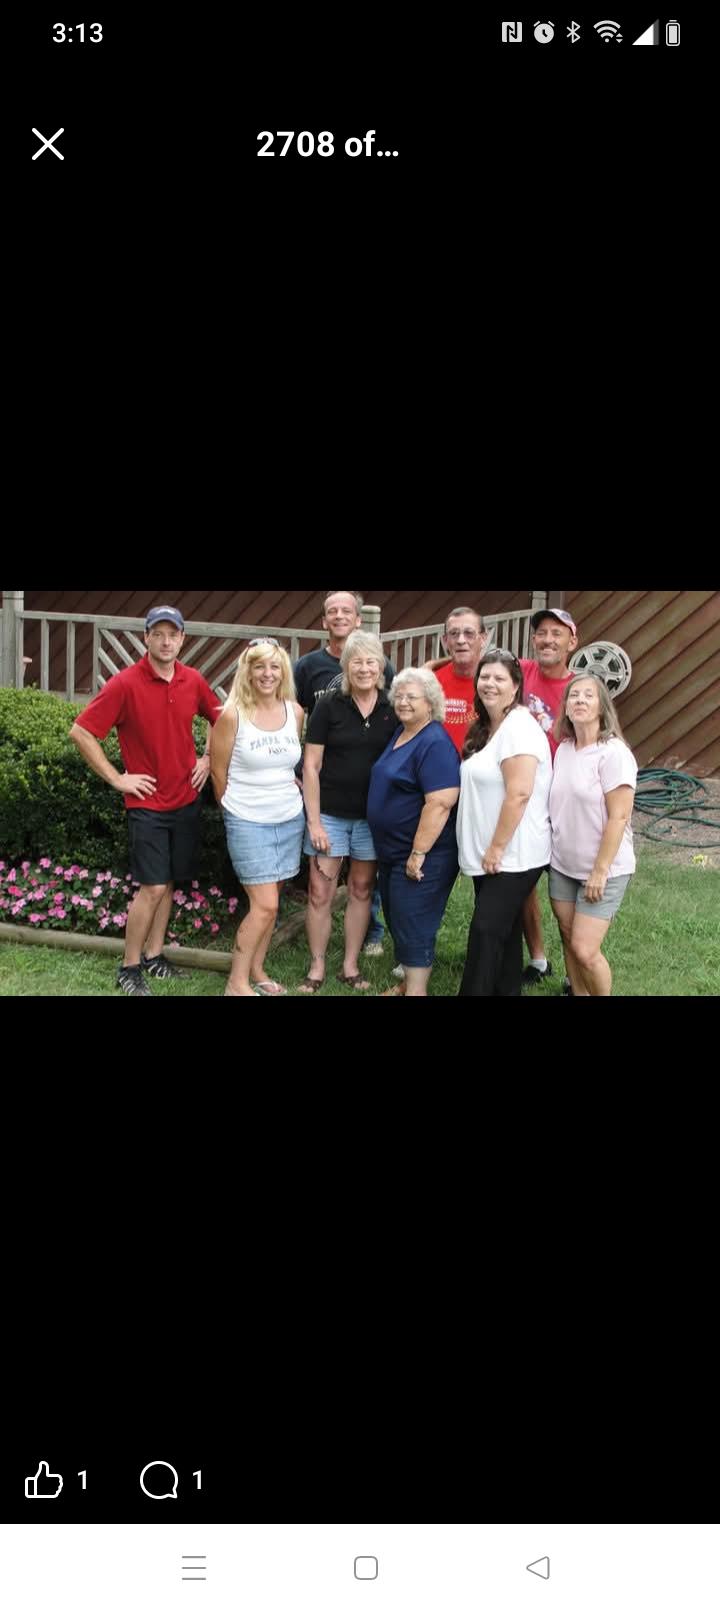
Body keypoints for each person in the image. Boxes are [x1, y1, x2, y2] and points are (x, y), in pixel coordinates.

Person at [69, 606, 220, 996]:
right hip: (147, 805)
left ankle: (154, 956)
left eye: (173, 634)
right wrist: (117, 778)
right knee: (152, 886)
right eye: (159, 634)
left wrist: (207, 757)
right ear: (146, 638)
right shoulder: (124, 683)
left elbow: (222, 719)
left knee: (167, 882)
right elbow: (81, 732)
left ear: (182, 639)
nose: (166, 641)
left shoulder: (192, 679)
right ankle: (129, 967)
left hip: (185, 799)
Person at [293, 590, 394, 957]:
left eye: (371, 663)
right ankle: (317, 965)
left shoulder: (392, 708)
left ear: (381, 668)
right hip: (331, 816)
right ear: (346, 668)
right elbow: (312, 763)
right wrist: (315, 822)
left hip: (371, 816)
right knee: (320, 891)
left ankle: (351, 964)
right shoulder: (327, 705)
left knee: (362, 889)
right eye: (357, 663)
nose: (364, 669)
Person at [210, 639, 305, 996]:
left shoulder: (295, 712)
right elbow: (218, 773)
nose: (267, 674)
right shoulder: (231, 715)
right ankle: (236, 983)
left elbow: (289, 764)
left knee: (270, 904)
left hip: (289, 817)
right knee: (266, 906)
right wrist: (234, 810)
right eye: (259, 666)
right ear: (247, 672)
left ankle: (257, 969)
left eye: (274, 666)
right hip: (248, 819)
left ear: (283, 672)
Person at [456, 650, 552, 996]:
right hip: (492, 854)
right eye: (484, 677)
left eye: (499, 678)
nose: (490, 684)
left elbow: (519, 793)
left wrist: (496, 848)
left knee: (485, 931)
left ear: (515, 686)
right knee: (505, 933)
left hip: (513, 855)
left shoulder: (519, 728)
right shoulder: (489, 727)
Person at [367, 669, 460, 997]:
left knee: (414, 922)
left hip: (424, 855)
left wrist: (418, 852)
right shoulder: (404, 732)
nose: (403, 702)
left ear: (430, 703)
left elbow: (440, 802)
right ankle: (408, 984)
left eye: (411, 697)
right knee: (399, 918)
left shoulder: (434, 742)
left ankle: (416, 991)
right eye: (399, 696)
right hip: (394, 852)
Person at [549, 672, 637, 997]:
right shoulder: (564, 749)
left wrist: (600, 871)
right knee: (568, 935)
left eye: (588, 695)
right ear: (566, 707)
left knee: (585, 950)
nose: (580, 700)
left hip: (602, 869)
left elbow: (619, 816)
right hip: (563, 864)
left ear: (602, 706)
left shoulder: (613, 753)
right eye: (574, 695)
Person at [518, 607, 579, 990]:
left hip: (563, 802)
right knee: (523, 885)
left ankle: (576, 974)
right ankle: (538, 959)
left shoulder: (580, 688)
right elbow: (472, 659)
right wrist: (435, 663)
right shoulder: (520, 671)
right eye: (541, 632)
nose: (547, 640)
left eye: (557, 633)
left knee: (565, 895)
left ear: (572, 642)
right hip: (525, 797)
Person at [424, 606, 489, 754]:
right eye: (454, 634)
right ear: (445, 641)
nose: (461, 640)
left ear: (483, 638)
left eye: (469, 633)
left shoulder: (496, 683)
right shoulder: (430, 682)